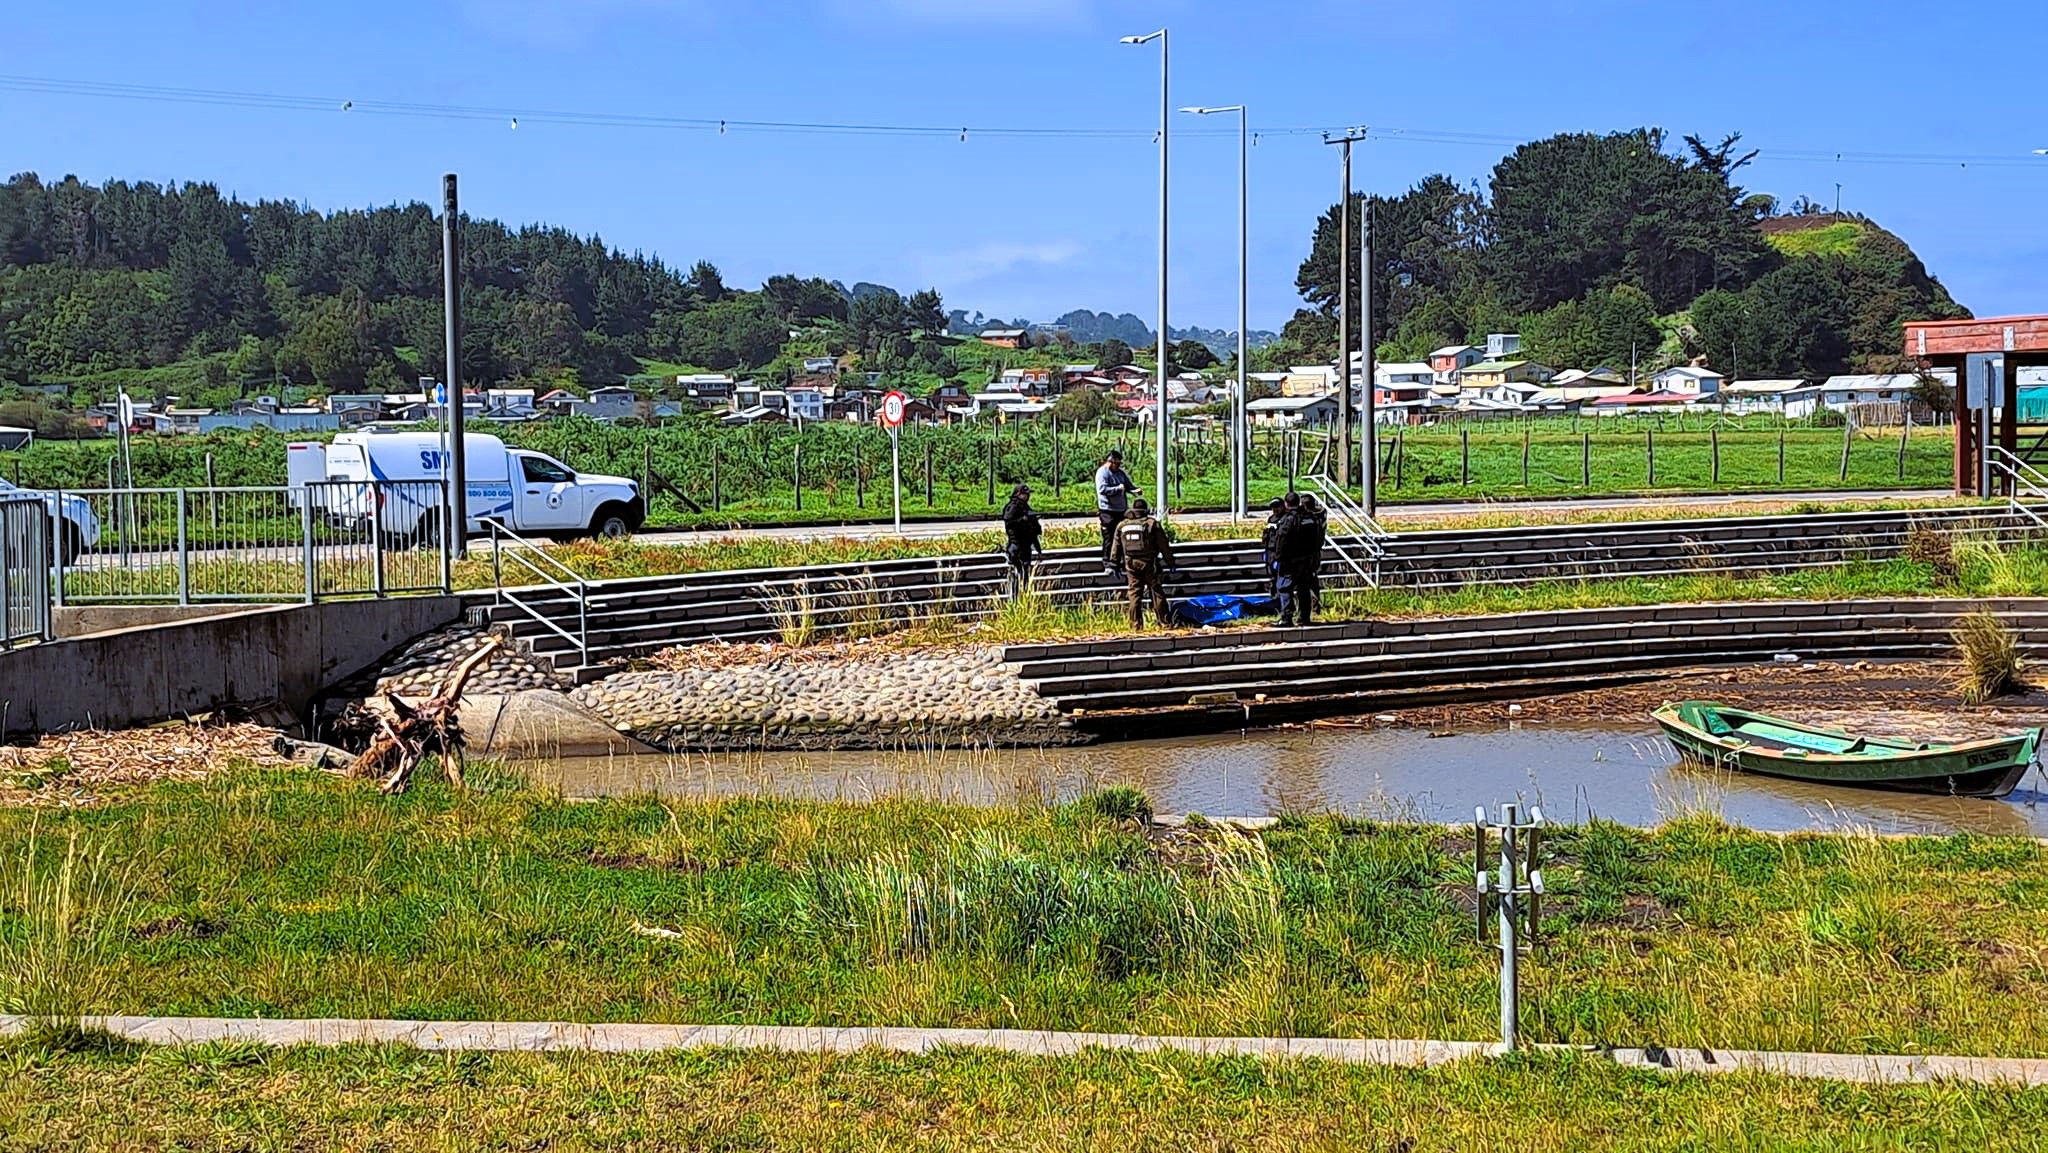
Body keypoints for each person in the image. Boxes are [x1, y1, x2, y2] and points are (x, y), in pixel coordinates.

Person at [1110, 497, 1176, 630]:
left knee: (1134, 594)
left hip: (1130, 564)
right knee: (1156, 591)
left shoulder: (1123, 525)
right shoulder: (1152, 524)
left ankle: (1135, 625)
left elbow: (1116, 546)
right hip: (1149, 564)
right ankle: (1164, 622)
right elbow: (1163, 545)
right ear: (1145, 510)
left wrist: (1114, 563)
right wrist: (1170, 562)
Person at [1275, 494, 1324, 627]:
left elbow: (1282, 540)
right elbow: (1319, 538)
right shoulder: (1310, 517)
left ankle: (1286, 617)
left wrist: (1278, 557)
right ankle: (1304, 617)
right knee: (1304, 588)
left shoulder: (1288, 519)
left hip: (1290, 561)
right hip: (1308, 560)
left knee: (1284, 587)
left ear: (1286, 503)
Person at [1094, 449, 1138, 573]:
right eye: (1117, 464)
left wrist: (1134, 490)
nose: (1118, 466)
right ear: (1110, 462)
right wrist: (1118, 489)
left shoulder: (1120, 473)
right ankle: (1107, 562)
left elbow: (1127, 485)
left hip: (1121, 510)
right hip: (1108, 510)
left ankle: (1121, 561)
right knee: (1109, 537)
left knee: (1121, 537)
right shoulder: (1102, 473)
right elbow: (1102, 490)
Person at [1000, 483, 1042, 594]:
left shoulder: (1024, 506)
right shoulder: (1013, 506)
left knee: (1025, 574)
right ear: (1018, 494)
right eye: (1024, 494)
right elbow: (1009, 522)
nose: (1027, 496)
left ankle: (1025, 594)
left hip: (1025, 546)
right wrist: (1023, 520)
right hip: (1016, 546)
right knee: (1017, 574)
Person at [1259, 497, 1288, 600]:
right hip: (1270, 550)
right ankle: (1274, 596)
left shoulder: (1286, 518)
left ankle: (1281, 598)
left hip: (1280, 551)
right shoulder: (1271, 519)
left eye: (1277, 507)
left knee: (1281, 577)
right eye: (1273, 507)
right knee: (1272, 575)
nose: (1275, 509)